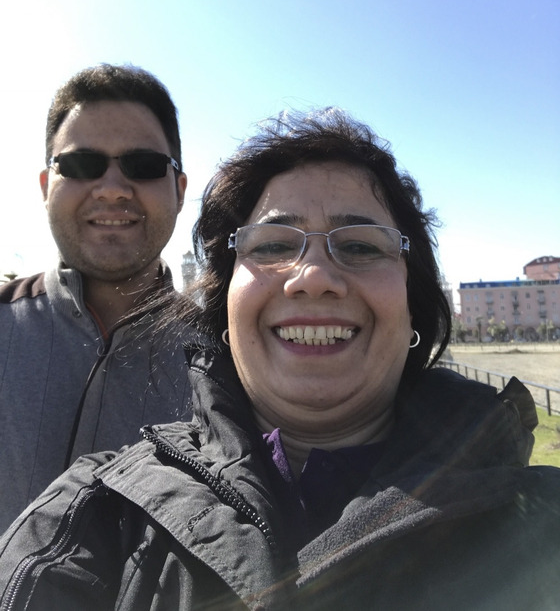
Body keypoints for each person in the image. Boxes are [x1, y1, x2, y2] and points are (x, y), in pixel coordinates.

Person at [0, 108, 559, 610]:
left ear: (414, 303)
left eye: (362, 245)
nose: (314, 277)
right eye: (271, 245)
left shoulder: (540, 524)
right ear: (224, 308)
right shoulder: (88, 515)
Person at [0, 63, 198, 534]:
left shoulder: (231, 357)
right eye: (82, 164)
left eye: (144, 166)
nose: (111, 189)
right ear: (48, 187)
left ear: (180, 189)